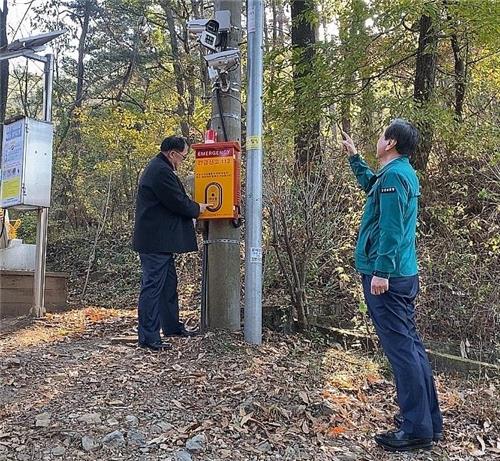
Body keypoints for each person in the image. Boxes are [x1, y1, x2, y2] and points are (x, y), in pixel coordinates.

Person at [341, 119, 443, 452]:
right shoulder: (393, 174)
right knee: (410, 348)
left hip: (389, 277)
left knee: (402, 353)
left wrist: (382, 272)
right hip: (399, 274)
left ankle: (416, 429)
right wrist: (355, 158)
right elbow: (373, 189)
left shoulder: (397, 176)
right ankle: (427, 422)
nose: (378, 137)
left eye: (383, 133)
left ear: (392, 142)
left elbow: (392, 229)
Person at [132, 136, 208, 351]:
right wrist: (197, 208)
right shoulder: (160, 171)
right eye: (183, 157)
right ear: (172, 153)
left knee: (168, 286)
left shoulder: (160, 168)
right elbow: (176, 201)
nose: (182, 161)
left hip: (161, 242)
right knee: (153, 287)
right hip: (155, 242)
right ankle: (148, 336)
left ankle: (172, 326)